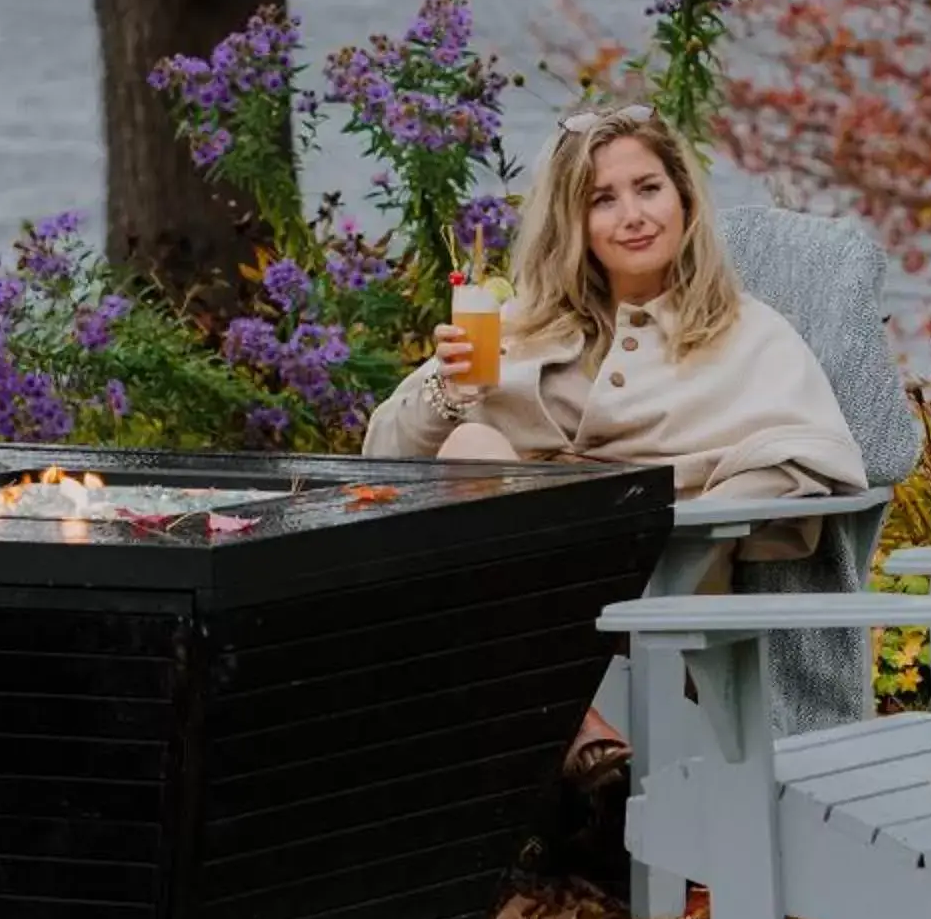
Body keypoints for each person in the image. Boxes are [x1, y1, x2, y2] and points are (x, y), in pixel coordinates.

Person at [362, 102, 865, 814]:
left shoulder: (746, 334)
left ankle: (565, 741)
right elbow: (381, 459)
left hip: (660, 600)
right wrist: (447, 392)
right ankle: (579, 732)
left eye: (649, 188)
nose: (632, 214)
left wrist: (679, 524)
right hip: (524, 594)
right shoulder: (517, 329)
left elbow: (804, 460)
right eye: (603, 198)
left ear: (684, 201)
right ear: (574, 222)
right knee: (472, 445)